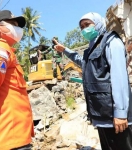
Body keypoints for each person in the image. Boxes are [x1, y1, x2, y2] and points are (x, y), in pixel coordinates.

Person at [53, 12, 132, 150]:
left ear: (99, 23)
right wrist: (65, 50)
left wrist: (120, 113)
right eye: (81, 27)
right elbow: (81, 62)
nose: (84, 29)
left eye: (87, 24)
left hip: (116, 118)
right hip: (102, 117)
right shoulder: (92, 48)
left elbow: (119, 78)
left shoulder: (112, 42)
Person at [0, 10, 34, 150]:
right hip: (6, 139)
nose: (18, 29)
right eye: (12, 24)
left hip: (14, 138)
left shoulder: (7, 51)